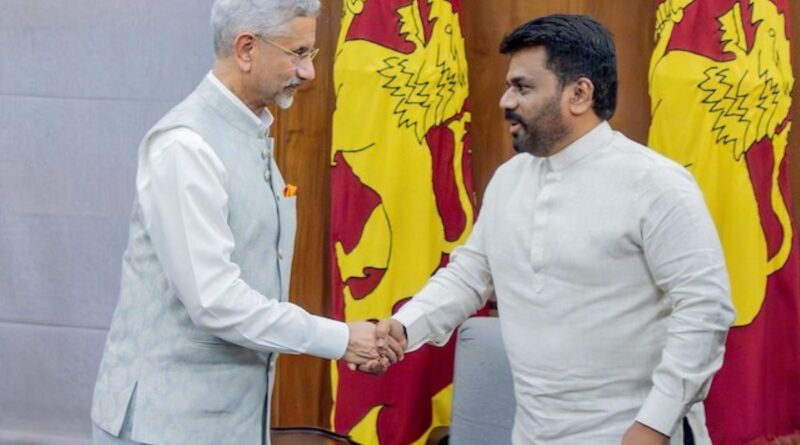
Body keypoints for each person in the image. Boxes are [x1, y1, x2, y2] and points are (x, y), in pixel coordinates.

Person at [368, 14, 735, 445]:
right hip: (533, 433)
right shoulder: (511, 178)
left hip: (636, 433)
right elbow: (470, 275)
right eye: (509, 86)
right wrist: (404, 326)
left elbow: (705, 311)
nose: (505, 100)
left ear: (579, 94)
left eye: (523, 87)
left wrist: (655, 423)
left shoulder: (655, 183)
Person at [90, 1, 401, 444]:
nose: (308, 72)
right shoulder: (186, 146)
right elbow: (215, 300)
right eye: (299, 53)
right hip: (165, 428)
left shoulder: (250, 134)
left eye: (309, 55)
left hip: (228, 423)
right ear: (247, 49)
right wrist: (338, 339)